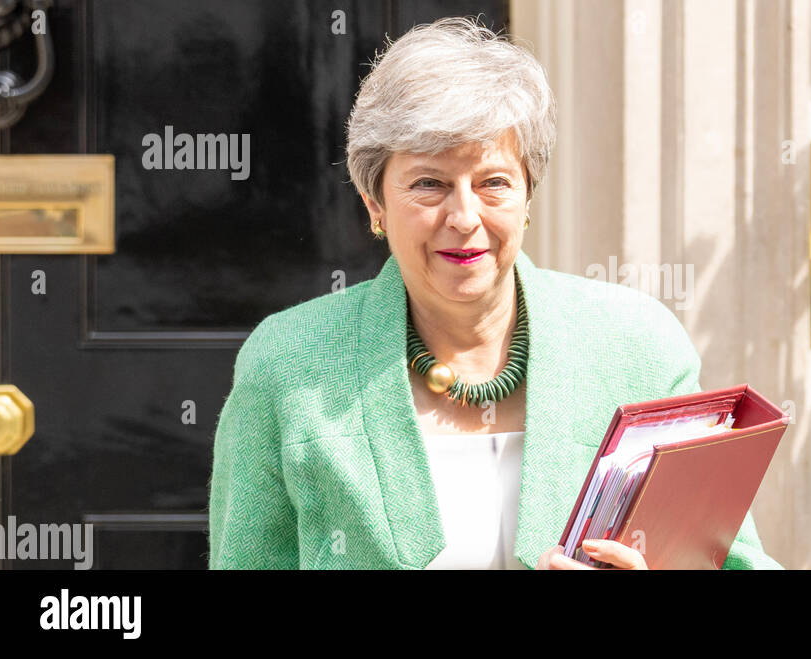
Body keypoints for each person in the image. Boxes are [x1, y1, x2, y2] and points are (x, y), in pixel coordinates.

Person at [207, 17, 781, 570]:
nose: (464, 216)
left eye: (493, 183)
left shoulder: (639, 346)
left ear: (528, 196)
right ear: (374, 202)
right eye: (429, 183)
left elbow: (735, 563)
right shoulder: (288, 362)